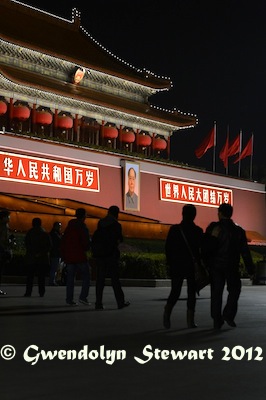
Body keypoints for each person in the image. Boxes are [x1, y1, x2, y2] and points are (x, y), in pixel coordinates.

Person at [204, 203, 254, 330]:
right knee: (235, 290)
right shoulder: (239, 231)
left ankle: (216, 319)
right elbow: (245, 251)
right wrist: (250, 269)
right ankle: (228, 314)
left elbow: (206, 247)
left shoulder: (214, 228)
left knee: (216, 293)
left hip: (216, 266)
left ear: (220, 213)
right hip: (232, 266)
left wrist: (206, 263)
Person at [163, 204, 203, 329]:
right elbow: (200, 250)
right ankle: (190, 321)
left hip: (177, 265)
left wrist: (170, 263)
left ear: (182, 214)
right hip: (191, 266)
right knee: (191, 293)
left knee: (175, 291)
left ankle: (167, 314)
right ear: (194, 215)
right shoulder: (198, 231)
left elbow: (168, 248)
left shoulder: (174, 229)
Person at [92, 205, 130, 310]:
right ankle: (120, 302)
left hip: (100, 255)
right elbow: (119, 239)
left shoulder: (100, 223)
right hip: (111, 255)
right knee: (115, 280)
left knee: (100, 280)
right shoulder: (116, 225)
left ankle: (98, 303)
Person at [61, 208, 90, 306]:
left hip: (69, 256)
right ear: (83, 216)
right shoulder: (82, 226)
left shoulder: (69, 226)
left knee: (70, 278)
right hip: (80, 255)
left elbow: (64, 241)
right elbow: (85, 242)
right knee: (86, 276)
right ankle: (83, 297)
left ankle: (69, 299)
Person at [24, 218, 52, 297]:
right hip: (42, 259)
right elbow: (49, 246)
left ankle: (28, 292)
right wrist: (41, 253)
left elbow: (27, 244)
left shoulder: (30, 233)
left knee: (30, 277)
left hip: (31, 258)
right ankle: (41, 292)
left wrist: (33, 253)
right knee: (41, 277)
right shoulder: (45, 233)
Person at [0, 209, 12, 295]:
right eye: (8, 216)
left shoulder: (5, 226)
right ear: (3, 217)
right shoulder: (3, 226)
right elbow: (3, 240)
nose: (9, 218)